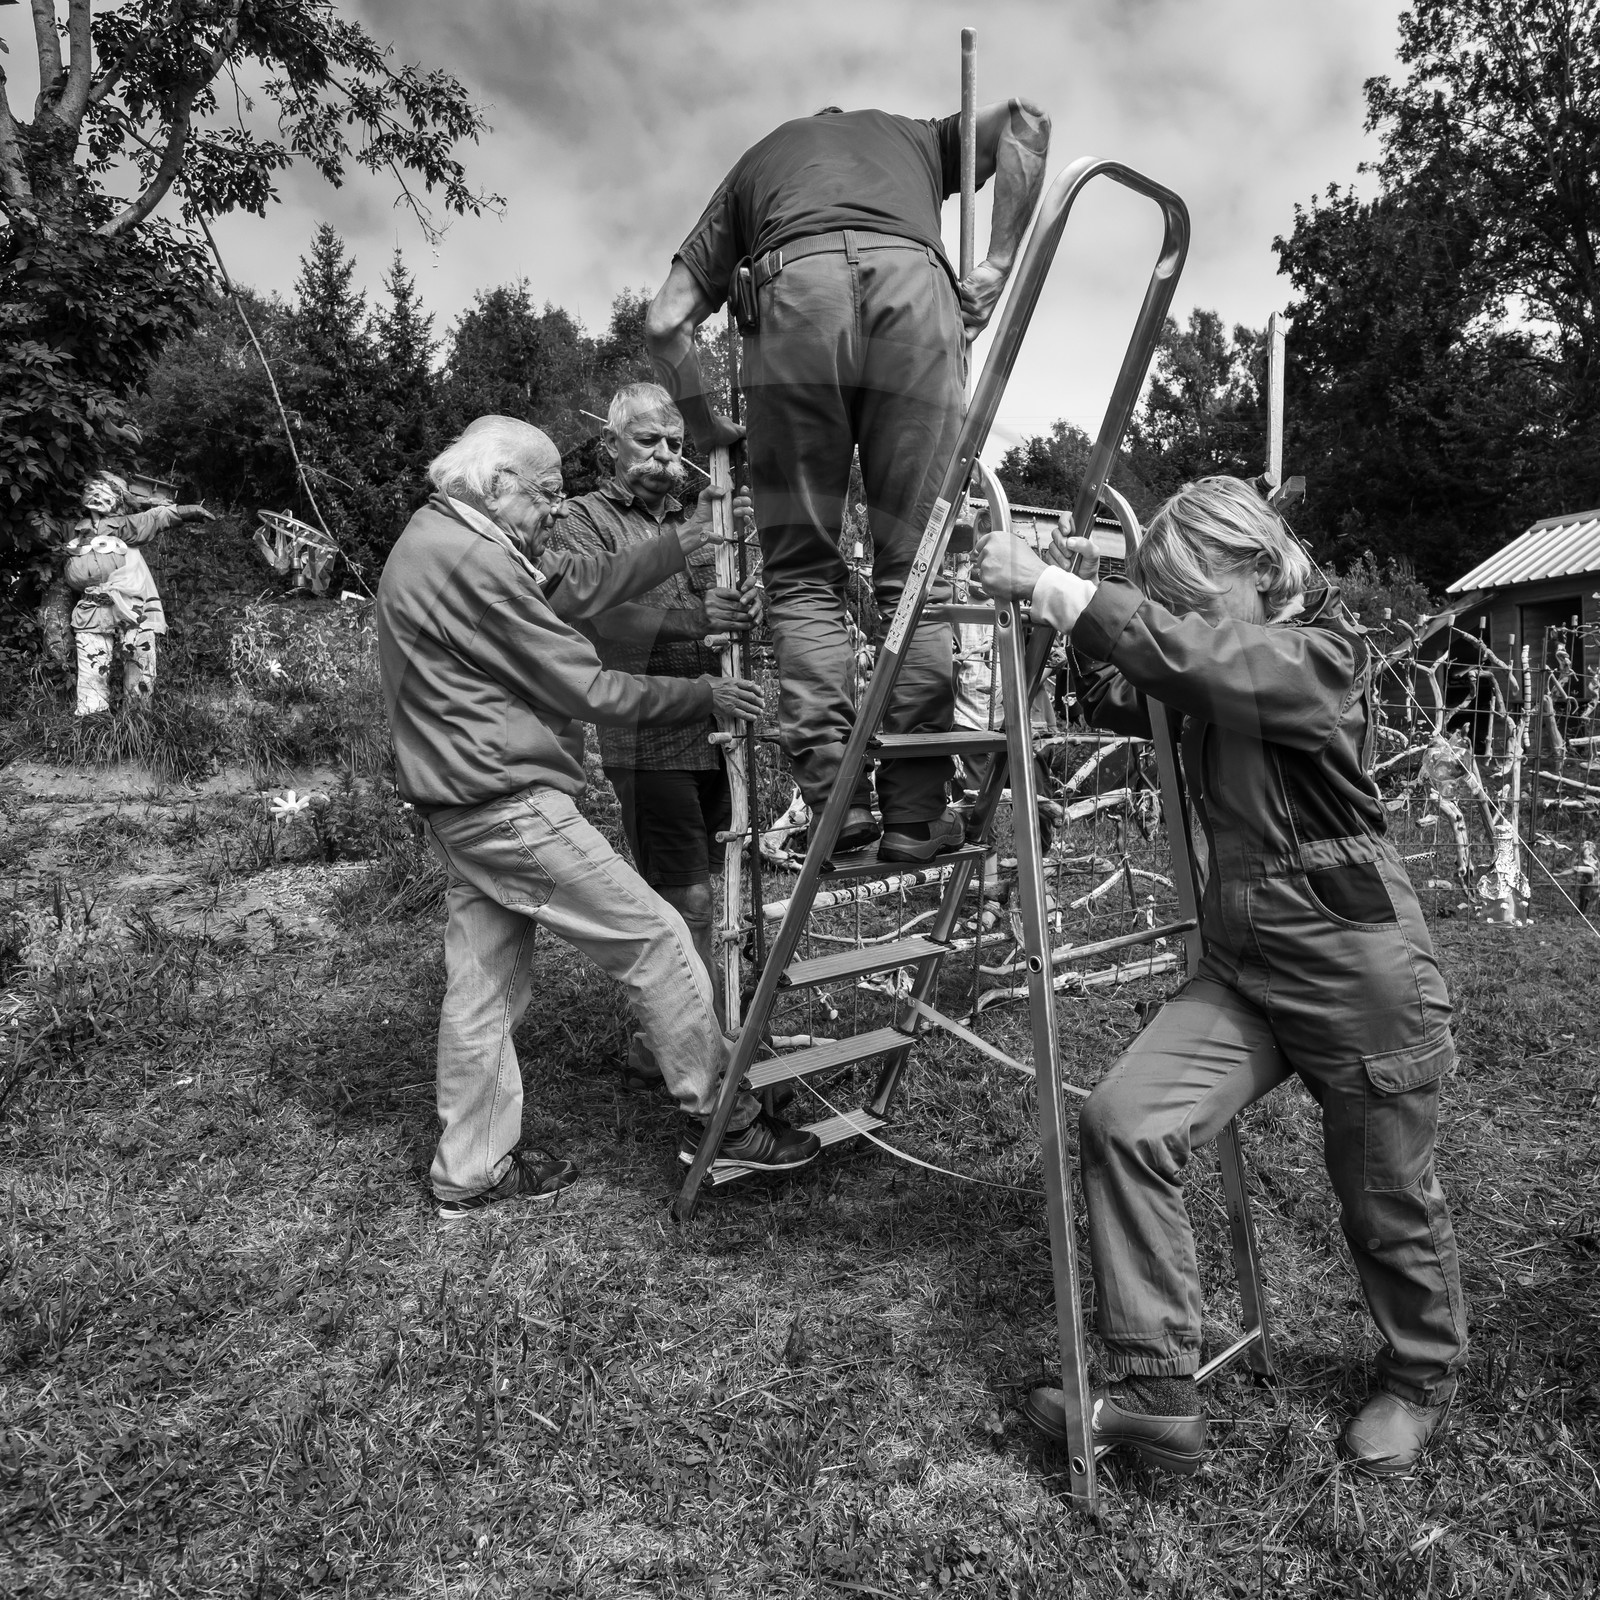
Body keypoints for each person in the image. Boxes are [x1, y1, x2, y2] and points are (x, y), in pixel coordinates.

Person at [977, 477, 1468, 1478]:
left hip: (1356, 970)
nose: (1182, 620)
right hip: (1245, 967)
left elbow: (1213, 660)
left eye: (1194, 596)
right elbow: (1140, 677)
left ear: (1256, 562)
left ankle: (1419, 1373)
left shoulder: (1324, 657)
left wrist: (1064, 591)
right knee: (1123, 1119)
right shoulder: (1213, 652)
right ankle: (1156, 1389)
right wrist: (1049, 621)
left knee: (1383, 1197)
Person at [376, 416, 821, 1221]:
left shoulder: (440, 534)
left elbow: (568, 588)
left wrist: (676, 545)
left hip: (458, 795)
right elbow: (589, 684)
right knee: (653, 936)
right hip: (503, 800)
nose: (555, 507)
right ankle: (728, 1120)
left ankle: (469, 1171)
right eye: (545, 492)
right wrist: (702, 694)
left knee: (481, 989)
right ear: (497, 482)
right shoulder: (472, 564)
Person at [646, 98, 1050, 862]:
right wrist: (997, 265)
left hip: (792, 299)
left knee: (802, 575)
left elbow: (666, 321)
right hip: (917, 296)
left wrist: (706, 429)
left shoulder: (756, 167)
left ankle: (839, 809)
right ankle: (915, 817)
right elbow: (1028, 120)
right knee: (916, 572)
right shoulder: (922, 140)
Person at [544, 381, 763, 1084]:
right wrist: (702, 620)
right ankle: (678, 1044)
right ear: (611, 445)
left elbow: (710, 607)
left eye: (675, 443)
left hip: (716, 724)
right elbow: (604, 620)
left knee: (717, 886)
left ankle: (707, 1025)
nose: (667, 455)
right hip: (648, 737)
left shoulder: (694, 521)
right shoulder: (583, 520)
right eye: (649, 441)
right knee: (684, 899)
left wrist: (735, 603)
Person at [61, 474, 213, 715]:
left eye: (106, 490)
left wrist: (186, 511)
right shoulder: (73, 530)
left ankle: (138, 719)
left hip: (134, 606)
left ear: (118, 498)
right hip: (92, 609)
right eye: (94, 489)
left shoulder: (127, 524)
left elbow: (154, 518)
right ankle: (93, 721)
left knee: (140, 661)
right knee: (92, 668)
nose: (98, 495)